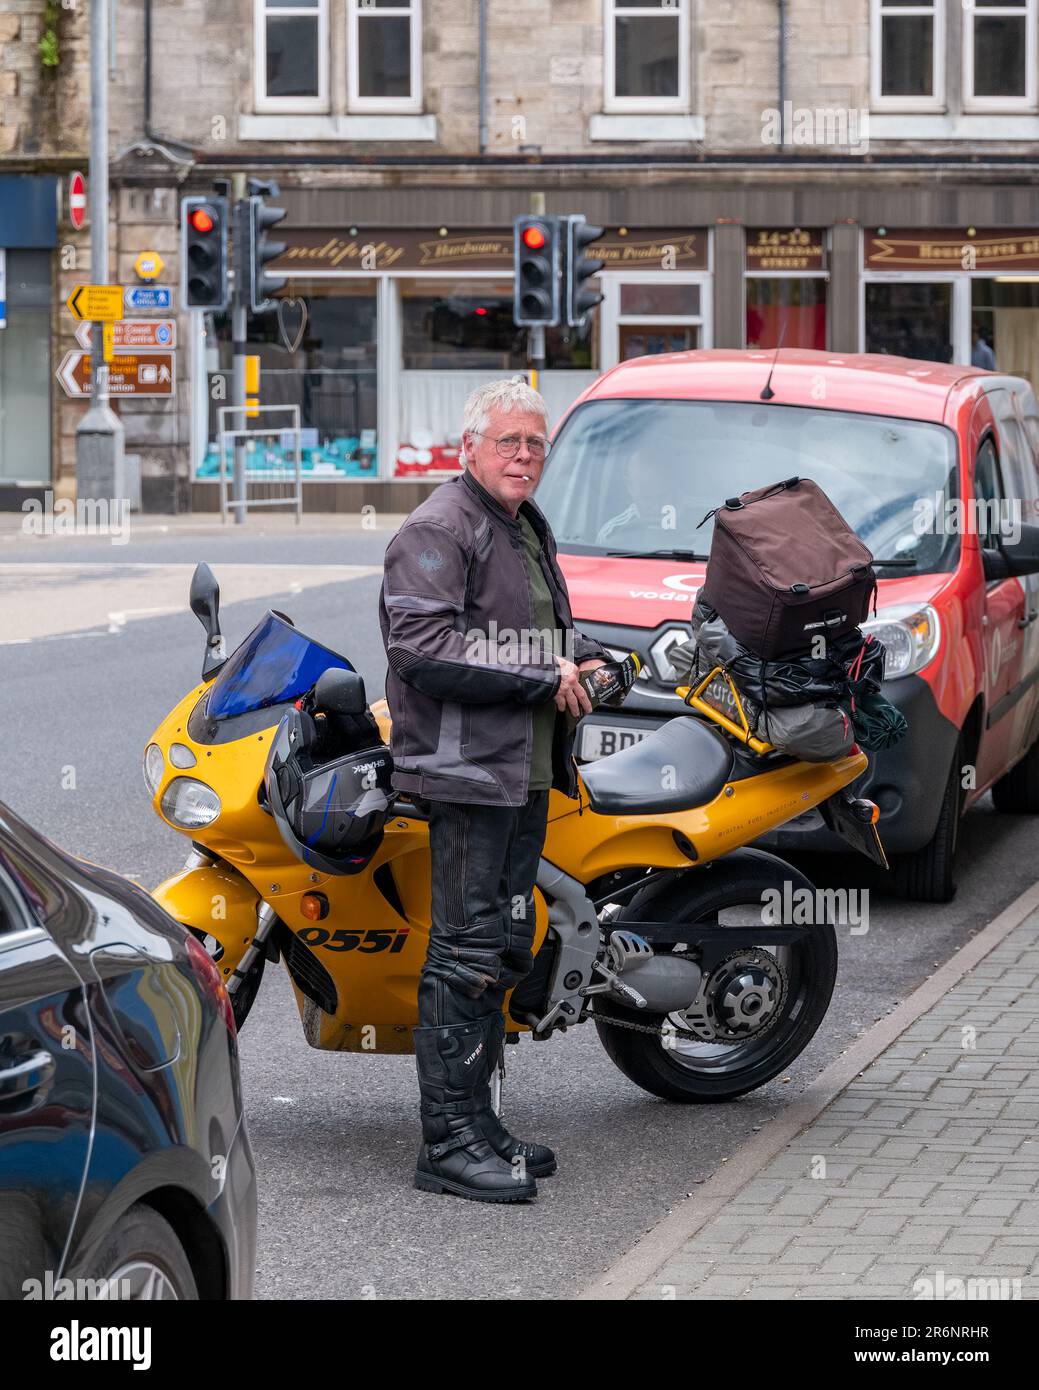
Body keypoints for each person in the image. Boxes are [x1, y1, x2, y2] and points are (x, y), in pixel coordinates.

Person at [378, 377, 607, 1203]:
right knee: (465, 953)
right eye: (508, 441)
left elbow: (538, 632)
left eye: (535, 444)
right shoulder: (440, 526)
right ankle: (446, 1146)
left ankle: (477, 1126)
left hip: (519, 772)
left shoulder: (517, 524)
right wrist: (538, 671)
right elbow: (421, 647)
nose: (523, 456)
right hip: (465, 774)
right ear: (468, 446)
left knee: (503, 947)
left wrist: (583, 659)